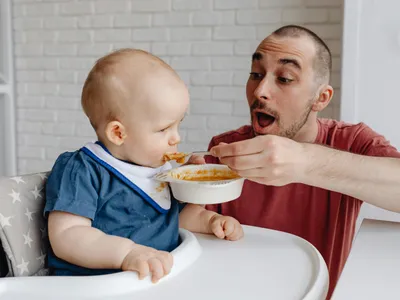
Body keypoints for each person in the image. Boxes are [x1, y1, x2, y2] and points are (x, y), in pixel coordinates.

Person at [194, 25, 400, 299]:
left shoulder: (353, 141)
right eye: (256, 74)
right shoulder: (225, 147)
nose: (260, 91)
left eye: (285, 78)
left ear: (321, 98)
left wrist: (306, 162)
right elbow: (195, 234)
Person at [44, 49, 243, 283]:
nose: (176, 138)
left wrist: (211, 221)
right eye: (163, 129)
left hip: (158, 279)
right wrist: (127, 253)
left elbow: (175, 221)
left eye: (178, 125)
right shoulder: (83, 170)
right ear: (119, 133)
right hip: (97, 286)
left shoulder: (159, 170)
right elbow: (67, 236)